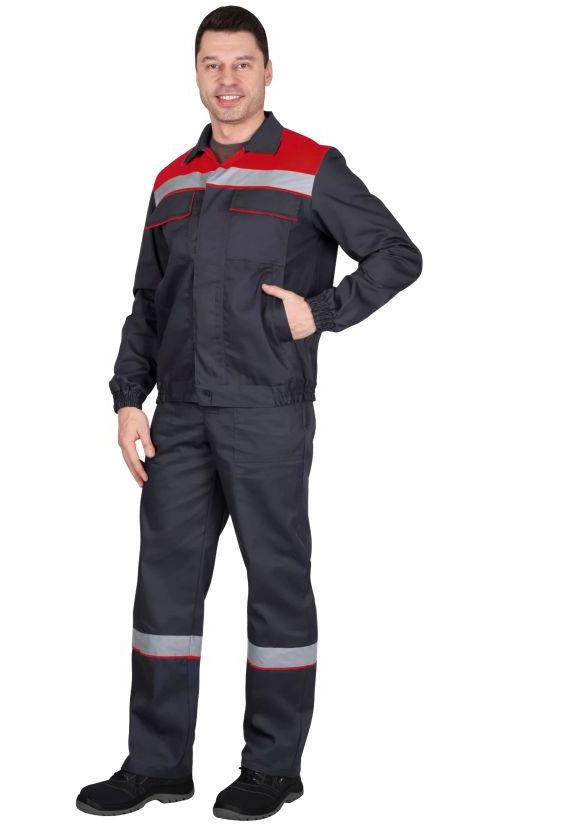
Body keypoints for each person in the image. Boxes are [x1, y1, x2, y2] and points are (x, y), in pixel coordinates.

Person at [76, 5, 423, 820]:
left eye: (241, 63)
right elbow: (147, 302)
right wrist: (128, 398)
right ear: (196, 74)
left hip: (267, 412)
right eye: (212, 64)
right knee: (163, 593)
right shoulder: (172, 179)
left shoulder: (311, 166)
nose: (226, 79)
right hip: (179, 417)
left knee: (276, 586)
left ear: (268, 71)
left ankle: (272, 767)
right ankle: (156, 765)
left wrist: (321, 312)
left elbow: (397, 254)